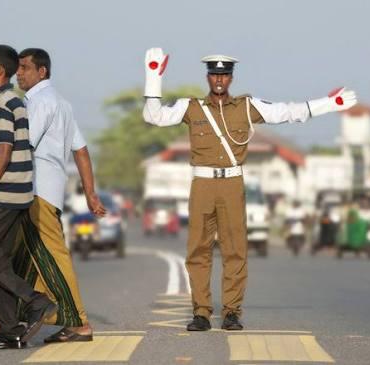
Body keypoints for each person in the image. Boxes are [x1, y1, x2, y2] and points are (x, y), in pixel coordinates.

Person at [142, 48, 357, 331]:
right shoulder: (190, 106)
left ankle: (231, 312)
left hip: (232, 183)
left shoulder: (247, 106)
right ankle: (201, 313)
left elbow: (288, 112)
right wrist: (153, 77)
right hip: (202, 184)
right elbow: (153, 116)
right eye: (215, 74)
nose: (219, 80)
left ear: (231, 78)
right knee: (198, 250)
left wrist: (329, 104)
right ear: (208, 77)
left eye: (225, 75)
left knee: (235, 251)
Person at [0, 48, 105, 343]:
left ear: (43, 72)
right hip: (46, 189)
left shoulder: (35, 103)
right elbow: (81, 150)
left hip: (33, 189)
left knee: (50, 256)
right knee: (12, 256)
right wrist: (90, 193)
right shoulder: (61, 104)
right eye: (20, 67)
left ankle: (77, 322)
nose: (20, 73)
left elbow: (14, 145)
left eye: (26, 68)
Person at [0, 45, 57, 349]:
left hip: (5, 194)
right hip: (20, 191)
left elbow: (4, 153)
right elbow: (9, 146)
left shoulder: (3, 102)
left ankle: (35, 300)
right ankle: (10, 330)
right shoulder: (12, 100)